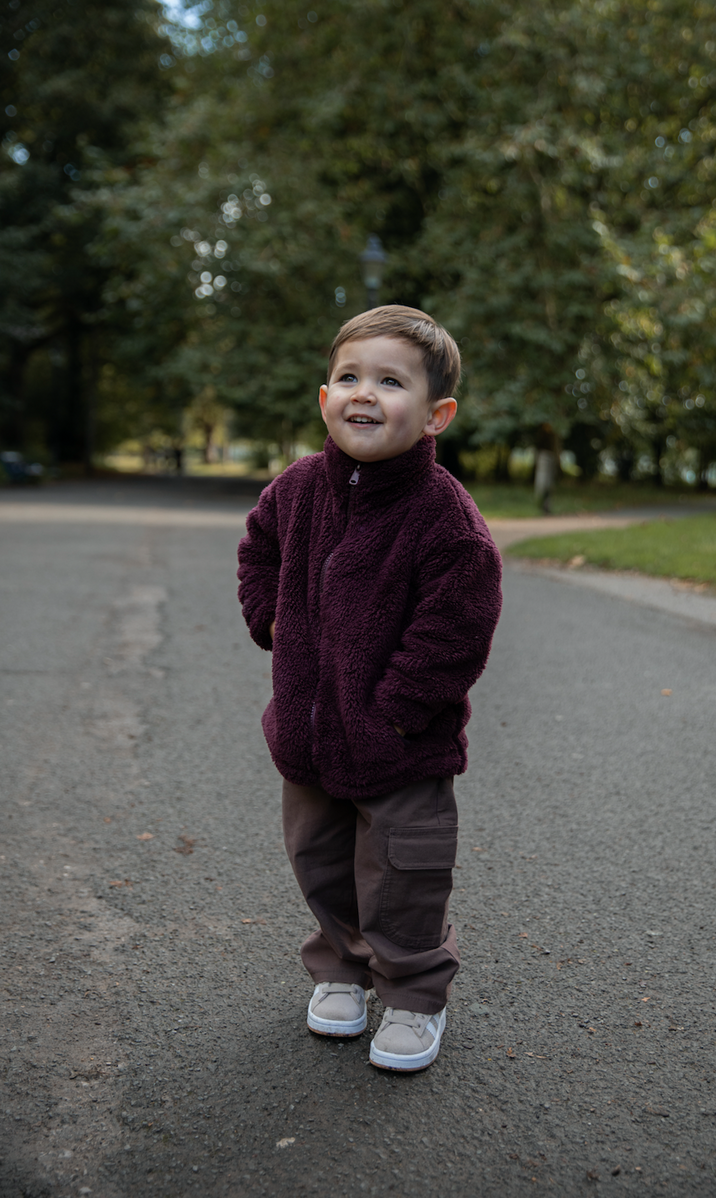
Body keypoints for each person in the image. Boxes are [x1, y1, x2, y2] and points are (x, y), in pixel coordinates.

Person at [237, 305, 502, 1071]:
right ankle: (343, 969)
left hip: (399, 749)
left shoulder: (444, 519)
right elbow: (259, 551)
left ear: (434, 416)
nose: (365, 393)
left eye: (391, 381)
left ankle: (414, 994)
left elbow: (455, 631)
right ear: (324, 398)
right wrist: (271, 622)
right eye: (350, 377)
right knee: (320, 860)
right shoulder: (297, 491)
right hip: (307, 740)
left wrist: (393, 713)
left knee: (404, 874)